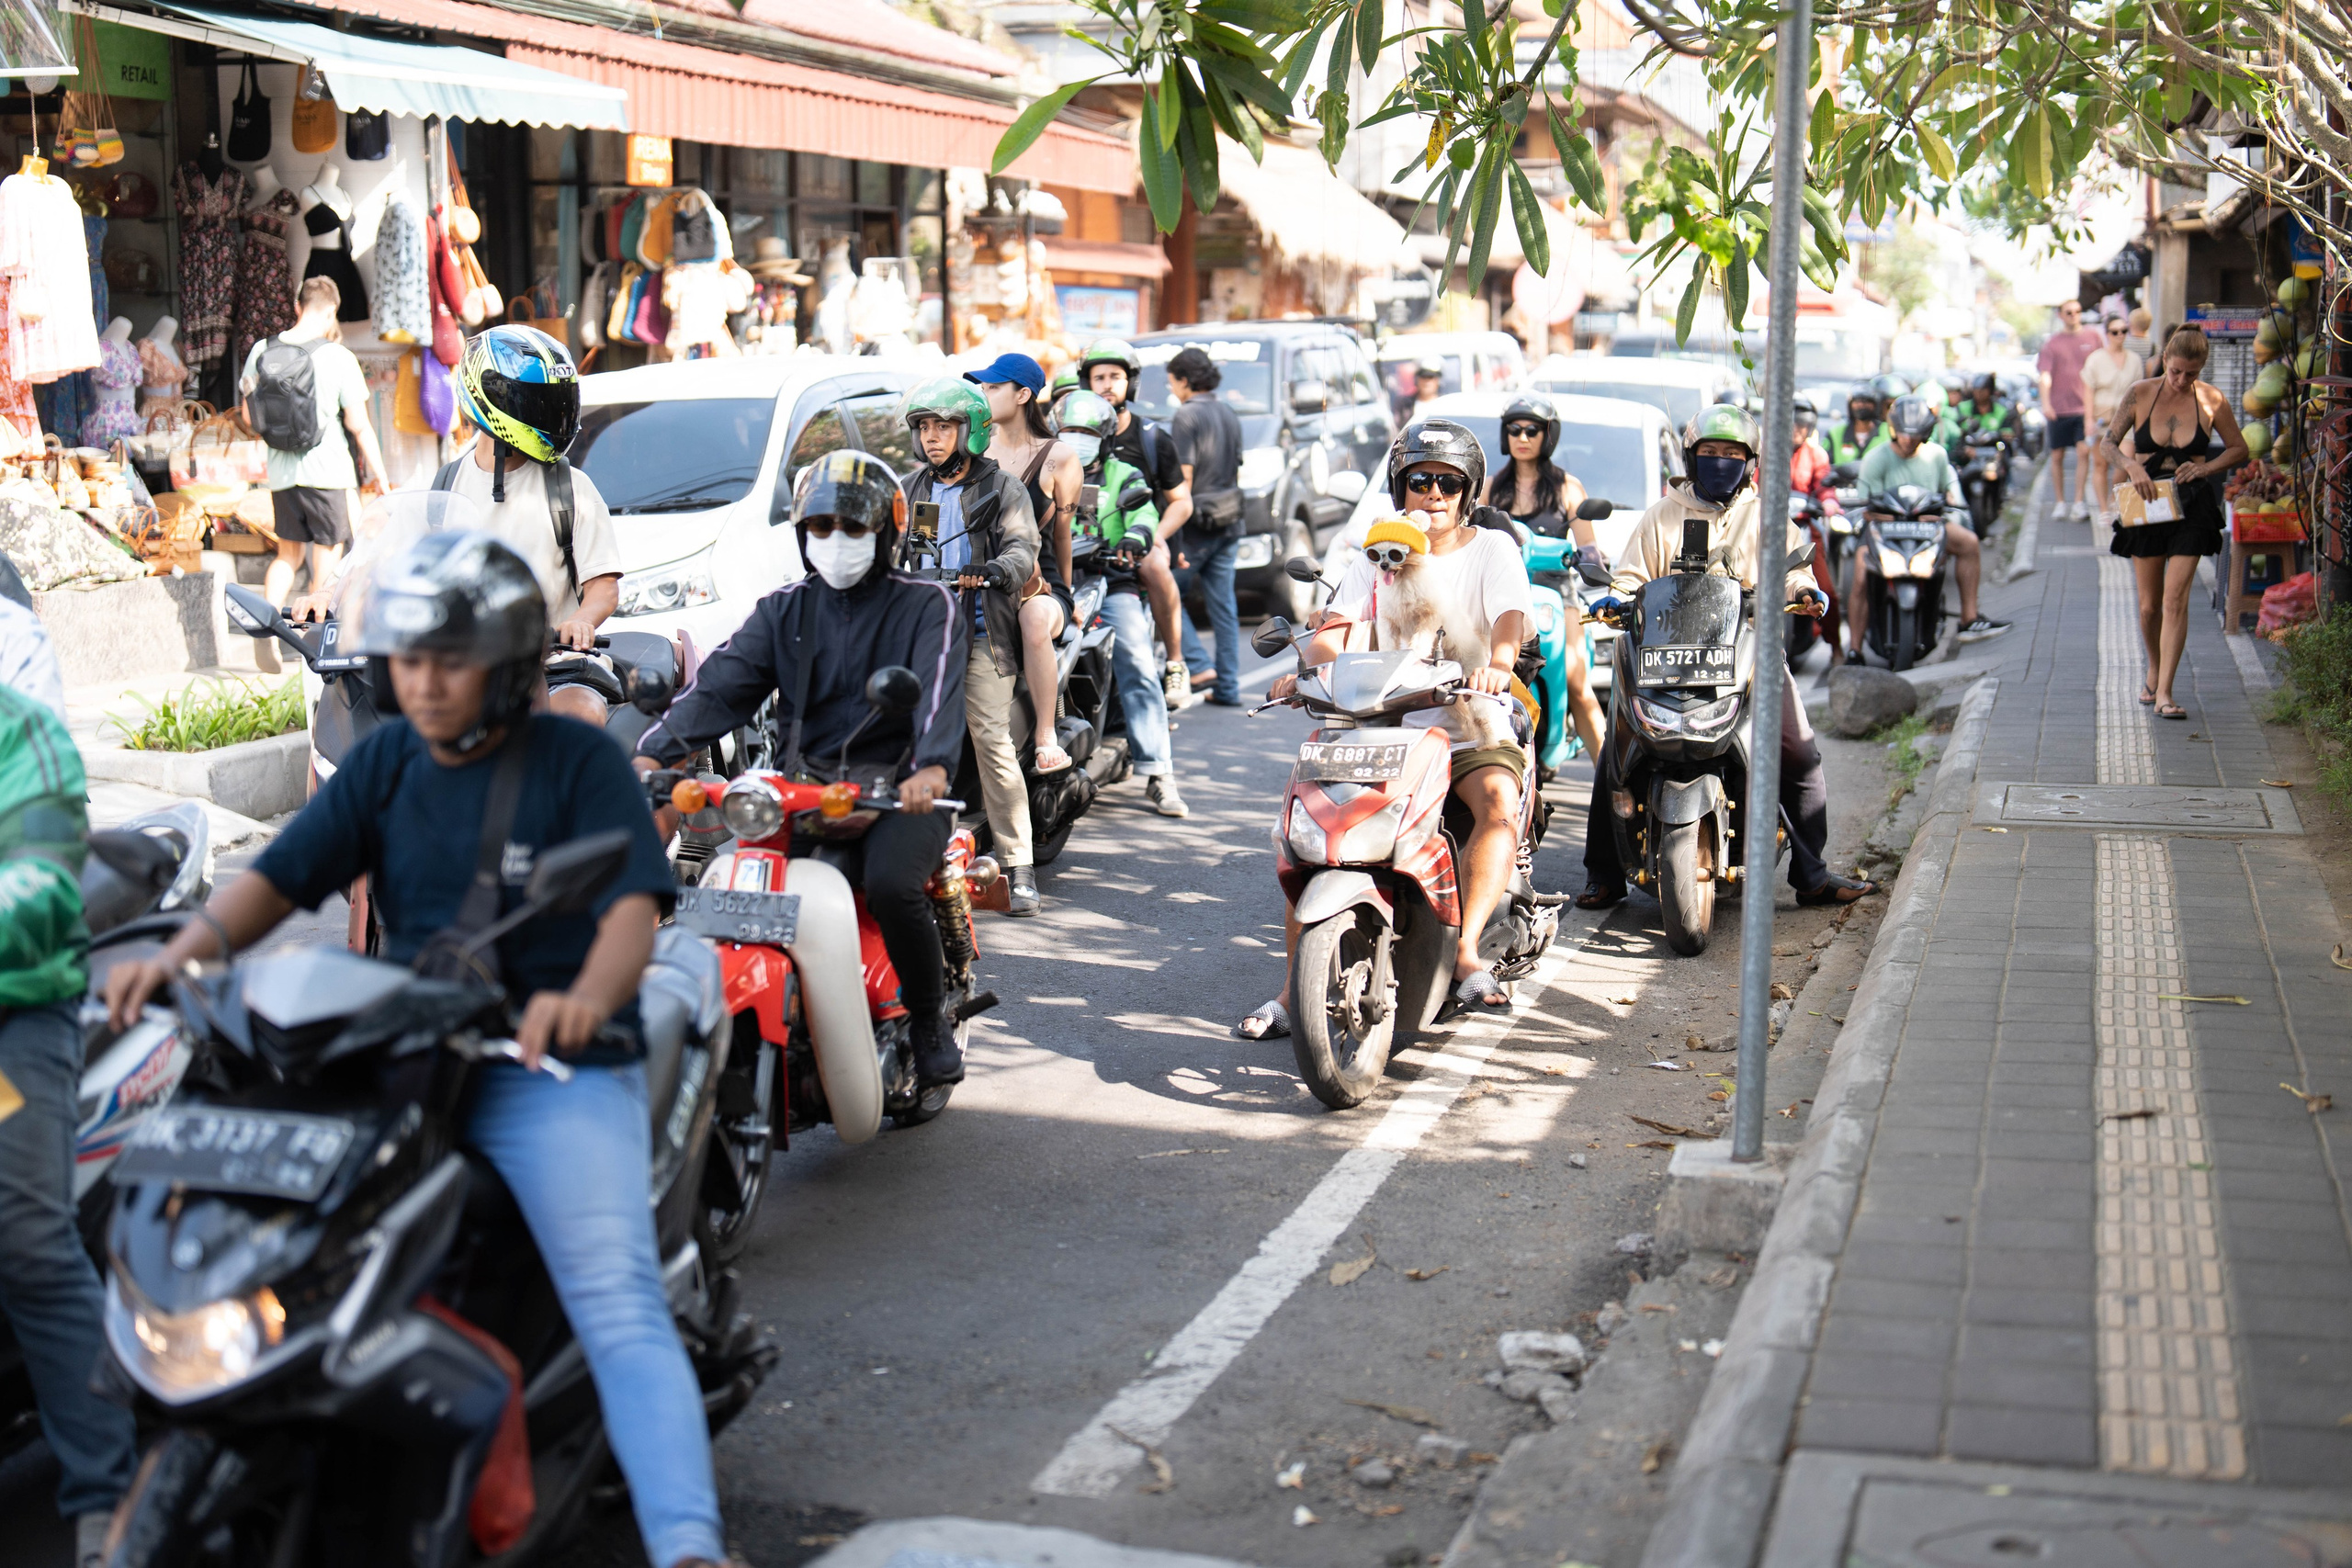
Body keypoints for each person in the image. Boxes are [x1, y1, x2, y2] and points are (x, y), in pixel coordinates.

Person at [103, 532, 744, 1568]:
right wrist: (185, 951)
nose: (426, 682)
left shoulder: (577, 759)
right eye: (411, 659)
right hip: (404, 1053)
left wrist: (581, 1000)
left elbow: (631, 906)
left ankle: (688, 1545)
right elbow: (282, 878)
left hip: (549, 1066)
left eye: (452, 662)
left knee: (614, 1296)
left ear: (510, 669)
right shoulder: (390, 760)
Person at [636, 452, 970, 1069]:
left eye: (852, 528)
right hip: (803, 790)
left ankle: (928, 1022)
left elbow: (939, 689)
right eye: (821, 528)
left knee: (894, 885)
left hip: (897, 793)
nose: (835, 541)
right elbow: (720, 687)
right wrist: (652, 752)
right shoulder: (782, 609)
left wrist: (931, 768)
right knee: (734, 880)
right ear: (801, 533)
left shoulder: (927, 605)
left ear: (886, 533)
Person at [1240, 419, 1532, 1037]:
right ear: (1401, 487)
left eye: (1447, 482)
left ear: (1467, 491)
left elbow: (1510, 619)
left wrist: (1498, 668)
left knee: (1498, 804)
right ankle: (1293, 993)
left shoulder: (1491, 549)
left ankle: (1470, 953)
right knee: (1307, 834)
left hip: (1466, 719)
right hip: (1379, 724)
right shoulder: (1377, 554)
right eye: (1420, 480)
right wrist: (1303, 670)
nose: (1433, 493)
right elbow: (1335, 634)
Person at [1580, 405, 1878, 911]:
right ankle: (1604, 872)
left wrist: (1805, 590)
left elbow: (1790, 571)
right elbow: (1632, 575)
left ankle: (1812, 874)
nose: (1721, 463)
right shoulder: (1661, 516)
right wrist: (1618, 596)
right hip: (1663, 658)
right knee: (1618, 751)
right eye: (1710, 453)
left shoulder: (1767, 515)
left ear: (1750, 462)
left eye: (1732, 455)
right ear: (1692, 458)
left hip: (1749, 656)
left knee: (1800, 754)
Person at [0, 617, 136, 1568]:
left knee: (24, 1235)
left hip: (12, 1022)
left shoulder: (20, 724)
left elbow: (38, 885)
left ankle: (107, 1497)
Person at [896, 377, 1045, 916]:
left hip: (982, 632)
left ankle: (1018, 865)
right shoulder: (913, 490)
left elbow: (1024, 550)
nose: (933, 438)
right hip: (922, 637)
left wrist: (995, 569)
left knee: (990, 741)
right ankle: (910, 857)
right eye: (925, 428)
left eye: (944, 427)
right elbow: (896, 550)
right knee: (901, 740)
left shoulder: (1003, 489)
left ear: (970, 431)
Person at [433, 325, 626, 729]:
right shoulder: (445, 486)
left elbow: (604, 587)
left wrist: (580, 622)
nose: (551, 415)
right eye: (537, 403)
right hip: (464, 671)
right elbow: (387, 557)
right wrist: (332, 591)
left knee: (579, 721)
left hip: (557, 667)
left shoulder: (570, 488)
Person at [2098, 325, 2249, 720]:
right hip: (2146, 503)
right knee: (2149, 606)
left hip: (2193, 505)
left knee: (2174, 598)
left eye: (2192, 374)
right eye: (2177, 371)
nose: (2182, 380)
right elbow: (2107, 444)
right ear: (2165, 359)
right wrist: (2132, 466)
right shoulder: (2141, 393)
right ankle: (2153, 665)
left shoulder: (2212, 399)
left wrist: (2206, 470)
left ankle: (2165, 690)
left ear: (2202, 369)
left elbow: (2239, 448)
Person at [1055, 391, 1187, 818]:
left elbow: (1146, 514)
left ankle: (1160, 773)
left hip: (1111, 581)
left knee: (1137, 665)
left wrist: (1136, 537)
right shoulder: (1046, 471)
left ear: (1106, 438)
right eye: (1069, 431)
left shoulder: (1124, 475)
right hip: (1054, 582)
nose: (1077, 440)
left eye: (1087, 433)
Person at [240, 276, 388, 615]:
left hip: (280, 474)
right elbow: (358, 425)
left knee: (287, 556)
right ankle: (313, 633)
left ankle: (265, 623)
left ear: (297, 307)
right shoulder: (338, 356)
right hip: (328, 474)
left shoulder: (261, 351)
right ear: (332, 311)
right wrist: (380, 475)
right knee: (327, 554)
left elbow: (250, 417)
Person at [967, 353, 1082, 780]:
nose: (985, 394)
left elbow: (1062, 534)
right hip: (979, 579)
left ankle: (1046, 737)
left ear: (1022, 394)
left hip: (1040, 586)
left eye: (994, 387)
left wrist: (1067, 594)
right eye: (983, 387)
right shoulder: (975, 448)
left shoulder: (1060, 457)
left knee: (1035, 621)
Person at [1484, 392, 1605, 758]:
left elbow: (1588, 545)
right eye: (1515, 429)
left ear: (1547, 436)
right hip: (1503, 592)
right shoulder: (1490, 487)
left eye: (1532, 430)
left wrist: (1593, 561)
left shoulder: (1568, 488)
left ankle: (1612, 784)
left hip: (1555, 591)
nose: (1522, 437)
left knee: (1575, 678)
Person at [1845, 395, 2011, 660]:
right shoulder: (1876, 457)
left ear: (1926, 433)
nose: (1908, 440)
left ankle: (1969, 617)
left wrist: (1946, 514)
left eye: (1915, 434)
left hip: (1929, 529)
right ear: (1893, 430)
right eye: (1904, 434)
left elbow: (1953, 497)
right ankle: (1854, 648)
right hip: (1883, 531)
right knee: (1861, 575)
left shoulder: (1937, 456)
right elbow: (1865, 508)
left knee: (1969, 542)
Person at [1076, 339, 1193, 707]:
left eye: (1115, 376)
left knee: (1154, 562)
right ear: (1086, 384)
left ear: (1131, 382)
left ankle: (1176, 662)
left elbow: (1181, 502)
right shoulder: (1072, 437)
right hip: (1086, 541)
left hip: (1140, 537)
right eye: (1099, 377)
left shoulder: (1152, 437)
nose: (1107, 384)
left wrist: (1153, 535)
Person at [1165, 345, 1247, 707]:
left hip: (1197, 525)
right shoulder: (1228, 411)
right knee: (1224, 607)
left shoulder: (1186, 416)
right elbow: (1236, 466)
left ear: (1184, 380)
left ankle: (1198, 665)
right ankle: (1227, 687)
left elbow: (1183, 476)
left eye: (1173, 383)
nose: (1173, 390)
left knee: (1164, 593)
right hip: (1230, 521)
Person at [2037, 299, 2105, 520]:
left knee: (2084, 452)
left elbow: (2102, 367)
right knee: (2057, 456)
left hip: (2084, 407)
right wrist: (2046, 403)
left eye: (2077, 311)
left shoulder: (2093, 337)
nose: (2074, 315)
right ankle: (2060, 502)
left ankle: (2078, 501)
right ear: (2061, 315)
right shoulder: (2052, 343)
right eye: (2069, 312)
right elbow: (2044, 376)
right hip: (2058, 408)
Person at [2081, 314, 2145, 523]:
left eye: (2124, 331)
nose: (2120, 336)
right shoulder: (2096, 358)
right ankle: (2103, 509)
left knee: (2125, 462)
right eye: (2115, 332)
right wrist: (2088, 420)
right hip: (2101, 419)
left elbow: (2138, 392)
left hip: (2126, 420)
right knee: (2100, 465)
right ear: (2107, 334)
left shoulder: (2134, 360)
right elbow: (2088, 390)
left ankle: (2113, 499)